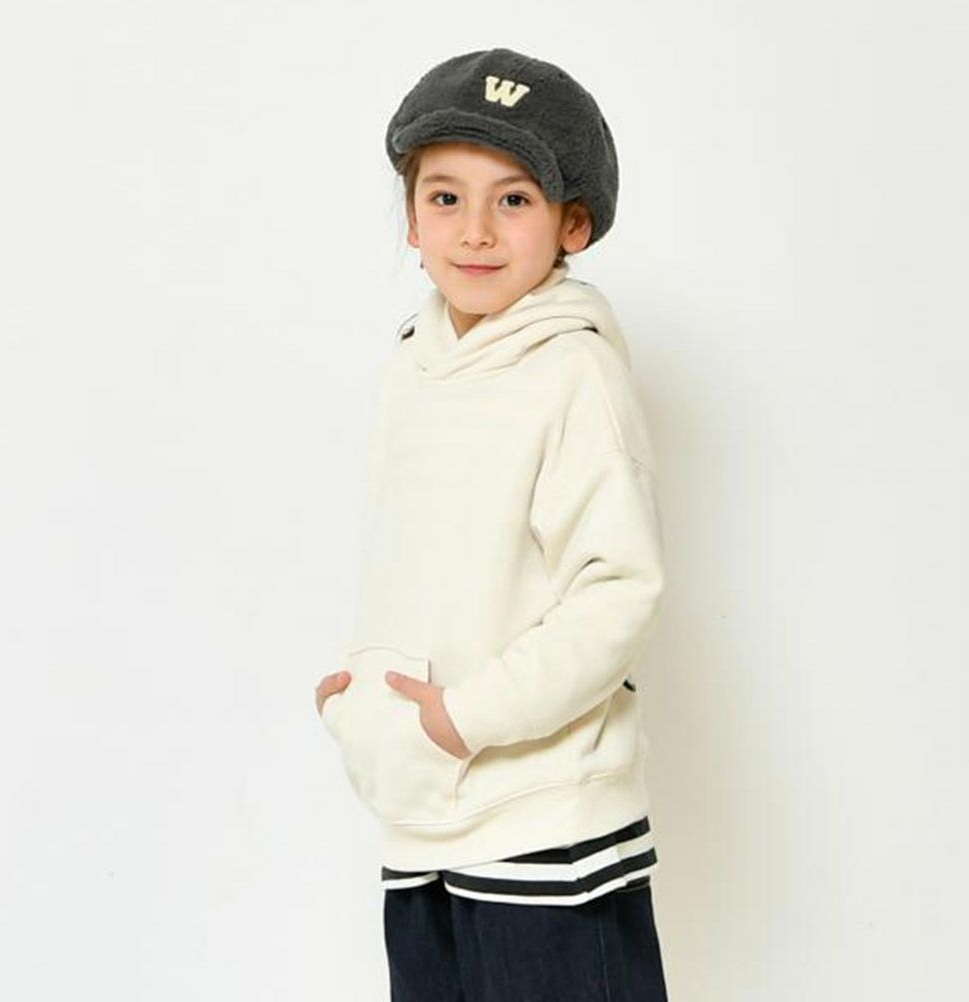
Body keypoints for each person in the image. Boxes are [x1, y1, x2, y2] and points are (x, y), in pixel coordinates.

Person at [315, 47, 670, 1001]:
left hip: (545, 826)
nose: (474, 231)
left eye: (513, 200)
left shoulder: (575, 372)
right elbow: (416, 557)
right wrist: (361, 697)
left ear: (572, 222)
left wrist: (464, 718)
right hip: (422, 814)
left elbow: (617, 589)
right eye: (445, 197)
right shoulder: (411, 362)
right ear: (411, 216)